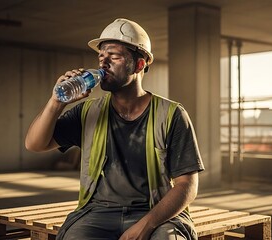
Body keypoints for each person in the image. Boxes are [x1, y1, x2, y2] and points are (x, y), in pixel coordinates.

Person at [25, 18, 204, 240]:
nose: (103, 64)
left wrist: (145, 226)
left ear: (139, 65)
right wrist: (56, 102)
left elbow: (187, 186)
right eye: (101, 57)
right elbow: (35, 144)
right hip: (98, 213)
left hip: (156, 213)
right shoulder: (88, 112)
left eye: (114, 57)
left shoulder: (171, 114)